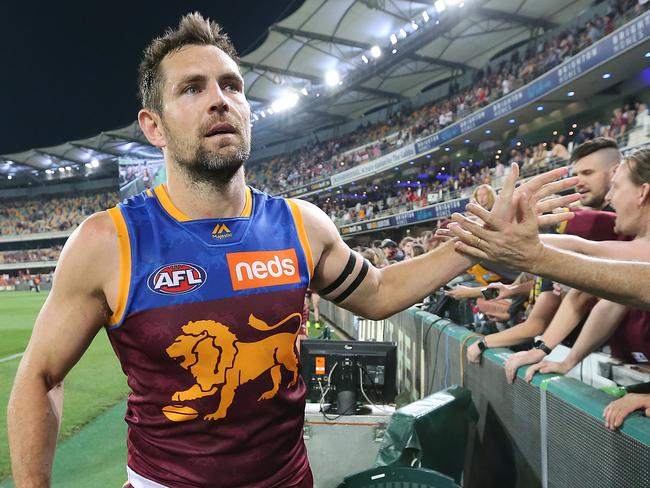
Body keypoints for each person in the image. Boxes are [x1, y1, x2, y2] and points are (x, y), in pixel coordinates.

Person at [6, 13, 577, 488]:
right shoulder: (109, 241)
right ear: (153, 127)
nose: (219, 100)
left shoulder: (302, 224)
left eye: (231, 85)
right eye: (192, 88)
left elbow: (376, 293)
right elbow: (38, 377)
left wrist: (477, 242)